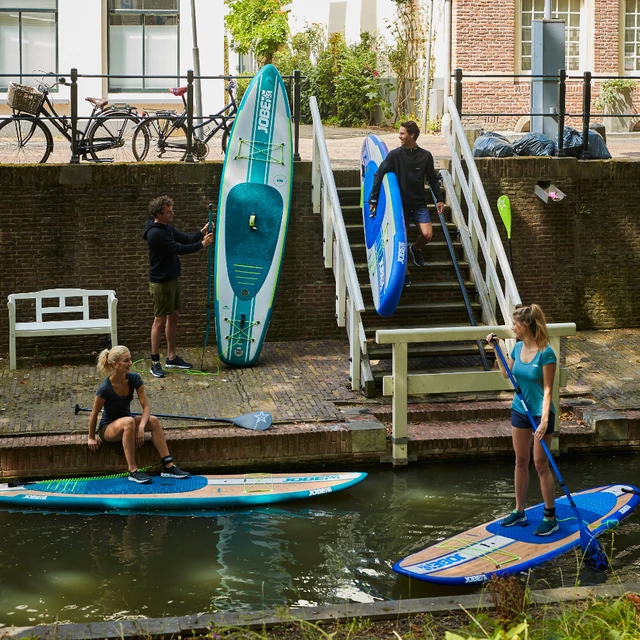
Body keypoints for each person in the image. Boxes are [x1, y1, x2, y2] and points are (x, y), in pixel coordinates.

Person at [487, 304, 558, 536]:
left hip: (540, 413)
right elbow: (506, 374)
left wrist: (545, 420)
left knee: (540, 464)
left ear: (525, 325)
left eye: (515, 323)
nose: (512, 327)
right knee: (520, 460)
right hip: (520, 410)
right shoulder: (517, 349)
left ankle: (550, 516)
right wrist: (496, 348)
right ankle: (519, 511)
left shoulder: (546, 353)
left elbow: (548, 390)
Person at [87, 345, 190, 484]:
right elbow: (94, 413)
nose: (130, 363)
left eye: (130, 359)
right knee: (128, 422)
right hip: (108, 429)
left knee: (153, 421)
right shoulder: (105, 388)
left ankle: (168, 465)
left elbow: (146, 407)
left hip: (127, 423)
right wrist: (91, 437)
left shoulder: (134, 379)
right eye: (126, 361)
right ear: (115, 364)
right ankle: (133, 470)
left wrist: (141, 427)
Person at [143, 195, 214, 378]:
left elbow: (185, 238)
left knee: (173, 316)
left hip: (172, 280)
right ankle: (154, 362)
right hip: (160, 283)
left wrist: (201, 232)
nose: (172, 213)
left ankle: (172, 357)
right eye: (168, 211)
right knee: (159, 321)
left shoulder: (166, 227)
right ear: (159, 213)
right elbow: (178, 248)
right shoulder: (155, 233)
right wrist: (202, 245)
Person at [369, 120, 445, 288]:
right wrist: (373, 199)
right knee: (400, 241)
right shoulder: (395, 155)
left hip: (418, 204)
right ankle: (406, 273)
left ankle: (416, 249)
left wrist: (439, 199)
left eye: (402, 133)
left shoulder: (425, 156)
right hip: (400, 206)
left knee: (427, 235)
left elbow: (432, 179)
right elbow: (378, 174)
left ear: (412, 135)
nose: (399, 136)